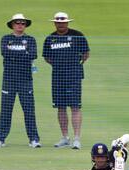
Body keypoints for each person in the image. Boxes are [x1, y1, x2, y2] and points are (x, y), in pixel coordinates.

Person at [0, 13, 41, 149]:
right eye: (17, 23)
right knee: (6, 110)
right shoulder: (6, 39)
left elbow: (33, 55)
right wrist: (23, 54)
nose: (20, 25)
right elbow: (5, 53)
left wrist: (16, 54)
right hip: (9, 80)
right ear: (12, 25)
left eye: (23, 23)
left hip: (25, 80)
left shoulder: (30, 40)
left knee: (29, 110)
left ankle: (34, 139)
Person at [43, 12, 90, 150]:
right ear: (55, 23)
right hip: (58, 77)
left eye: (63, 22)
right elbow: (47, 57)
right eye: (58, 22)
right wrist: (59, 65)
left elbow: (86, 54)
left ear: (67, 22)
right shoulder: (50, 38)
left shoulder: (77, 35)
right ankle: (65, 137)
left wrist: (73, 65)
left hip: (74, 76)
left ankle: (76, 138)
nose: (60, 24)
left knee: (75, 106)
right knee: (60, 107)